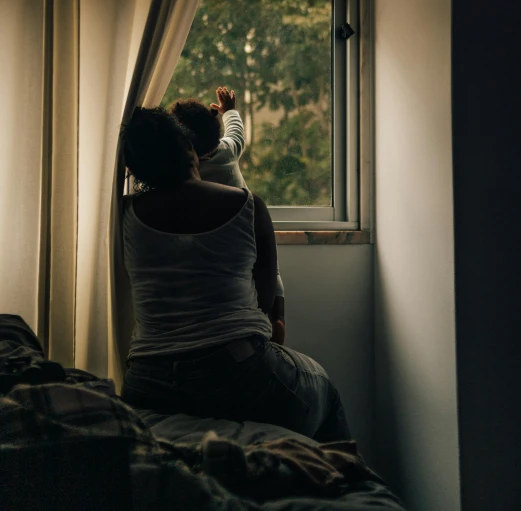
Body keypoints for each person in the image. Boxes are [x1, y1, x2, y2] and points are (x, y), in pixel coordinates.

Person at [119, 107, 350, 442]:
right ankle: (338, 485)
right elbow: (266, 299)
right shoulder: (247, 204)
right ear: (189, 148)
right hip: (237, 372)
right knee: (325, 393)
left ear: (134, 168)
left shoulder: (126, 214)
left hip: (146, 380)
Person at [170, 86, 285, 344]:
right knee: (272, 271)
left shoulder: (180, 171)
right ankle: (278, 318)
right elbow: (237, 133)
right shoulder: (227, 150)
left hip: (212, 235)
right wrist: (229, 112)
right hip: (247, 229)